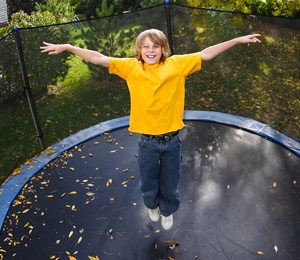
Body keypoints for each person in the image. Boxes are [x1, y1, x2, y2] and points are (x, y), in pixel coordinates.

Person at [41, 29, 261, 230]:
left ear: (164, 48)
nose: (150, 50)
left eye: (155, 46)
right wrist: (69, 47)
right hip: (147, 142)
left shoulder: (177, 64)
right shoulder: (131, 67)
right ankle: (152, 206)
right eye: (146, 46)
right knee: (148, 181)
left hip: (172, 140)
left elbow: (206, 54)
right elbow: (99, 58)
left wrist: (235, 40)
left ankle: (167, 211)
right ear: (139, 50)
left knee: (169, 182)